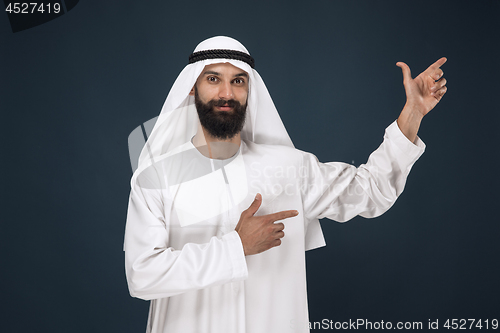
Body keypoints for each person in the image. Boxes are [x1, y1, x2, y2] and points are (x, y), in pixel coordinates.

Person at [124, 36, 447, 333]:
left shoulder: (290, 168)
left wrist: (413, 114)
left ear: (251, 91)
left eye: (238, 81)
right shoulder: (156, 177)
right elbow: (142, 274)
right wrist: (236, 247)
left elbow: (372, 190)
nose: (226, 93)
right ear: (192, 88)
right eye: (213, 79)